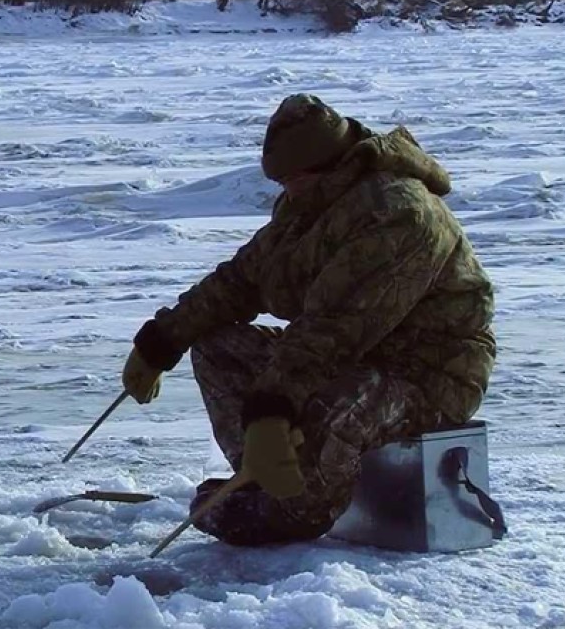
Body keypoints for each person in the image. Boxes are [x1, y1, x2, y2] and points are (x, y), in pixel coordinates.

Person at [122, 94, 496, 546]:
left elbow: (335, 327)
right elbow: (243, 279)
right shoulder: (310, 204)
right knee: (217, 344)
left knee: (334, 407)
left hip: (429, 373)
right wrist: (163, 339)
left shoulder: (398, 214)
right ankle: (265, 473)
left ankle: (294, 509)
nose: (285, 190)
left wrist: (271, 407)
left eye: (291, 179)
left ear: (329, 166)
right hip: (353, 355)